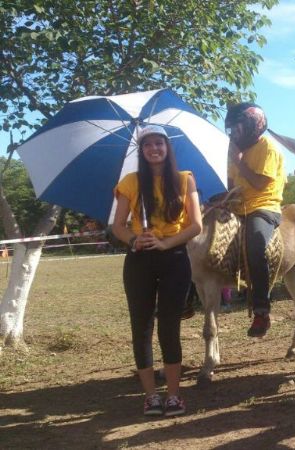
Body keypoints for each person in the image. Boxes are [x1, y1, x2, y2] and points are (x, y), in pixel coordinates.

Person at [112, 125, 202, 417]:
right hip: (139, 260)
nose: (154, 148)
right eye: (148, 144)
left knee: (169, 326)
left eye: (159, 143)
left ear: (167, 147)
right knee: (141, 327)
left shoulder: (185, 179)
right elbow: (118, 226)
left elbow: (196, 225)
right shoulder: (130, 182)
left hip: (174, 258)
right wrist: (134, 240)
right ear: (142, 150)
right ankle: (151, 396)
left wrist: (165, 243)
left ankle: (174, 395)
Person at [225, 102, 286, 338]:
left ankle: (262, 311)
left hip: (264, 206)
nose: (234, 133)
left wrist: (239, 161)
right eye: (232, 128)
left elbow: (260, 183)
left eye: (238, 128)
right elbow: (231, 184)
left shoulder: (267, 147)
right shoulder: (233, 149)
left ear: (253, 126)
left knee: (256, 243)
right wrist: (221, 200)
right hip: (238, 206)